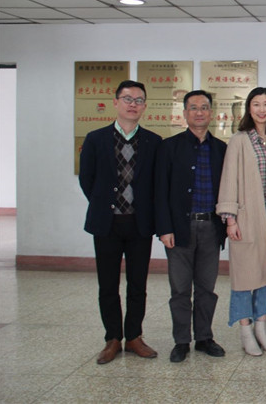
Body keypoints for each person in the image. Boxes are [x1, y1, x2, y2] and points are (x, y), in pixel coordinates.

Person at [79, 80, 161, 364]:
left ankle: (134, 336)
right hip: (107, 224)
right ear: (116, 103)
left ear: (144, 106)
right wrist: (105, 204)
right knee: (108, 285)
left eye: (139, 100)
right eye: (127, 99)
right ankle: (112, 338)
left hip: (139, 224)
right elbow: (87, 180)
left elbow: (156, 184)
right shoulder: (96, 139)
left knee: (138, 284)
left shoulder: (153, 141)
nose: (133, 105)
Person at [155, 90, 227, 363]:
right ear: (185, 113)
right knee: (180, 289)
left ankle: (204, 337)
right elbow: (159, 192)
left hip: (211, 227)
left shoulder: (221, 149)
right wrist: (164, 229)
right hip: (179, 228)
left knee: (207, 288)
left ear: (211, 113)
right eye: (193, 108)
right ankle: (181, 341)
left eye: (204, 107)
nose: (199, 112)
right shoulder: (169, 147)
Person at [216, 87, 266, 356]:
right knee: (244, 274)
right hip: (247, 214)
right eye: (256, 104)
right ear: (249, 108)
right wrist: (230, 219)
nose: (262, 109)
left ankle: (261, 327)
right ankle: (245, 330)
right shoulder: (239, 140)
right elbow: (229, 179)